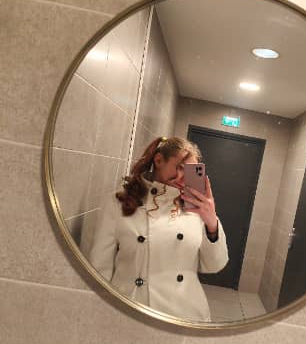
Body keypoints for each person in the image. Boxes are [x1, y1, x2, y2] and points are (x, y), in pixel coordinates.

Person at [82, 136, 229, 322]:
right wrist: (99, 312)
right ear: (159, 160)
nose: (184, 178)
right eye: (180, 168)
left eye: (191, 171)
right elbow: (100, 266)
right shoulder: (118, 202)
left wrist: (211, 223)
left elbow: (215, 265)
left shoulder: (197, 209)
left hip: (185, 311)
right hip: (131, 308)